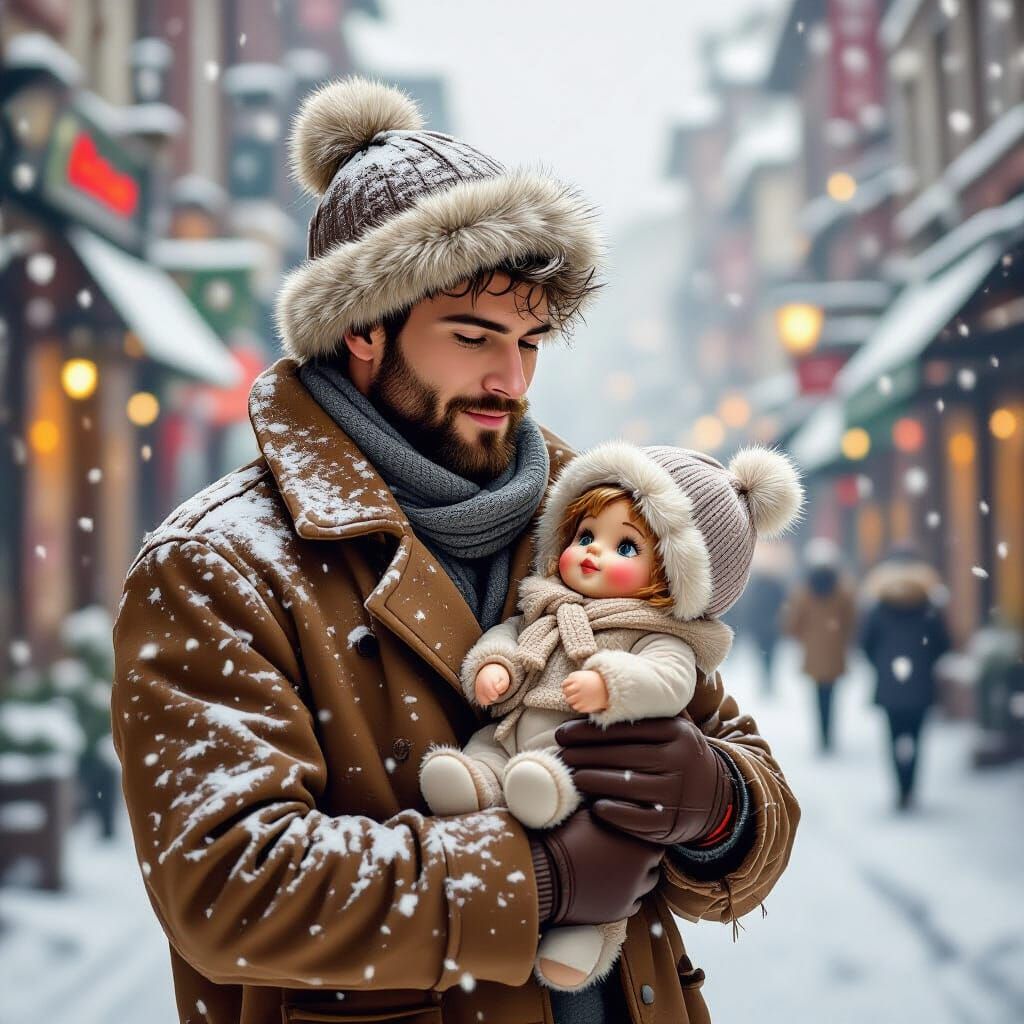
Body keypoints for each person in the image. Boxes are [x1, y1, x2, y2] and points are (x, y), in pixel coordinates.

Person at [111, 78, 800, 1024]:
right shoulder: (217, 566)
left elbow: (750, 790)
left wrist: (714, 804)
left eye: (530, 339)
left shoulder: (588, 515)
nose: (511, 378)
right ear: (361, 327)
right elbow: (228, 885)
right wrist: (539, 883)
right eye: (474, 335)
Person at [419, 442, 802, 992]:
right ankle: (479, 782)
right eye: (584, 537)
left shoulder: (662, 632)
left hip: (580, 774)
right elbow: (510, 638)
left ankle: (586, 930)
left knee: (595, 841)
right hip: (509, 739)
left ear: (674, 579)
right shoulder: (548, 603)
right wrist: (494, 665)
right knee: (488, 751)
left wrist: (722, 799)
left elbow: (680, 691)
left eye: (624, 545)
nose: (593, 553)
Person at [860, 545, 951, 811]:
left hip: (890, 685)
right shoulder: (928, 605)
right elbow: (944, 644)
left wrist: (881, 666)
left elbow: (865, 643)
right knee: (917, 737)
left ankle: (900, 789)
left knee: (893, 736)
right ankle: (911, 788)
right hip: (921, 685)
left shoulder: (879, 605)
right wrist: (925, 663)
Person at [782, 538, 857, 753]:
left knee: (817, 696)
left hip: (813, 653)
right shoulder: (843, 589)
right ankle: (829, 733)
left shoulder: (804, 590)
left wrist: (804, 638)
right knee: (832, 695)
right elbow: (852, 620)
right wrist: (842, 639)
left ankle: (822, 736)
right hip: (835, 652)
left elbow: (793, 622)